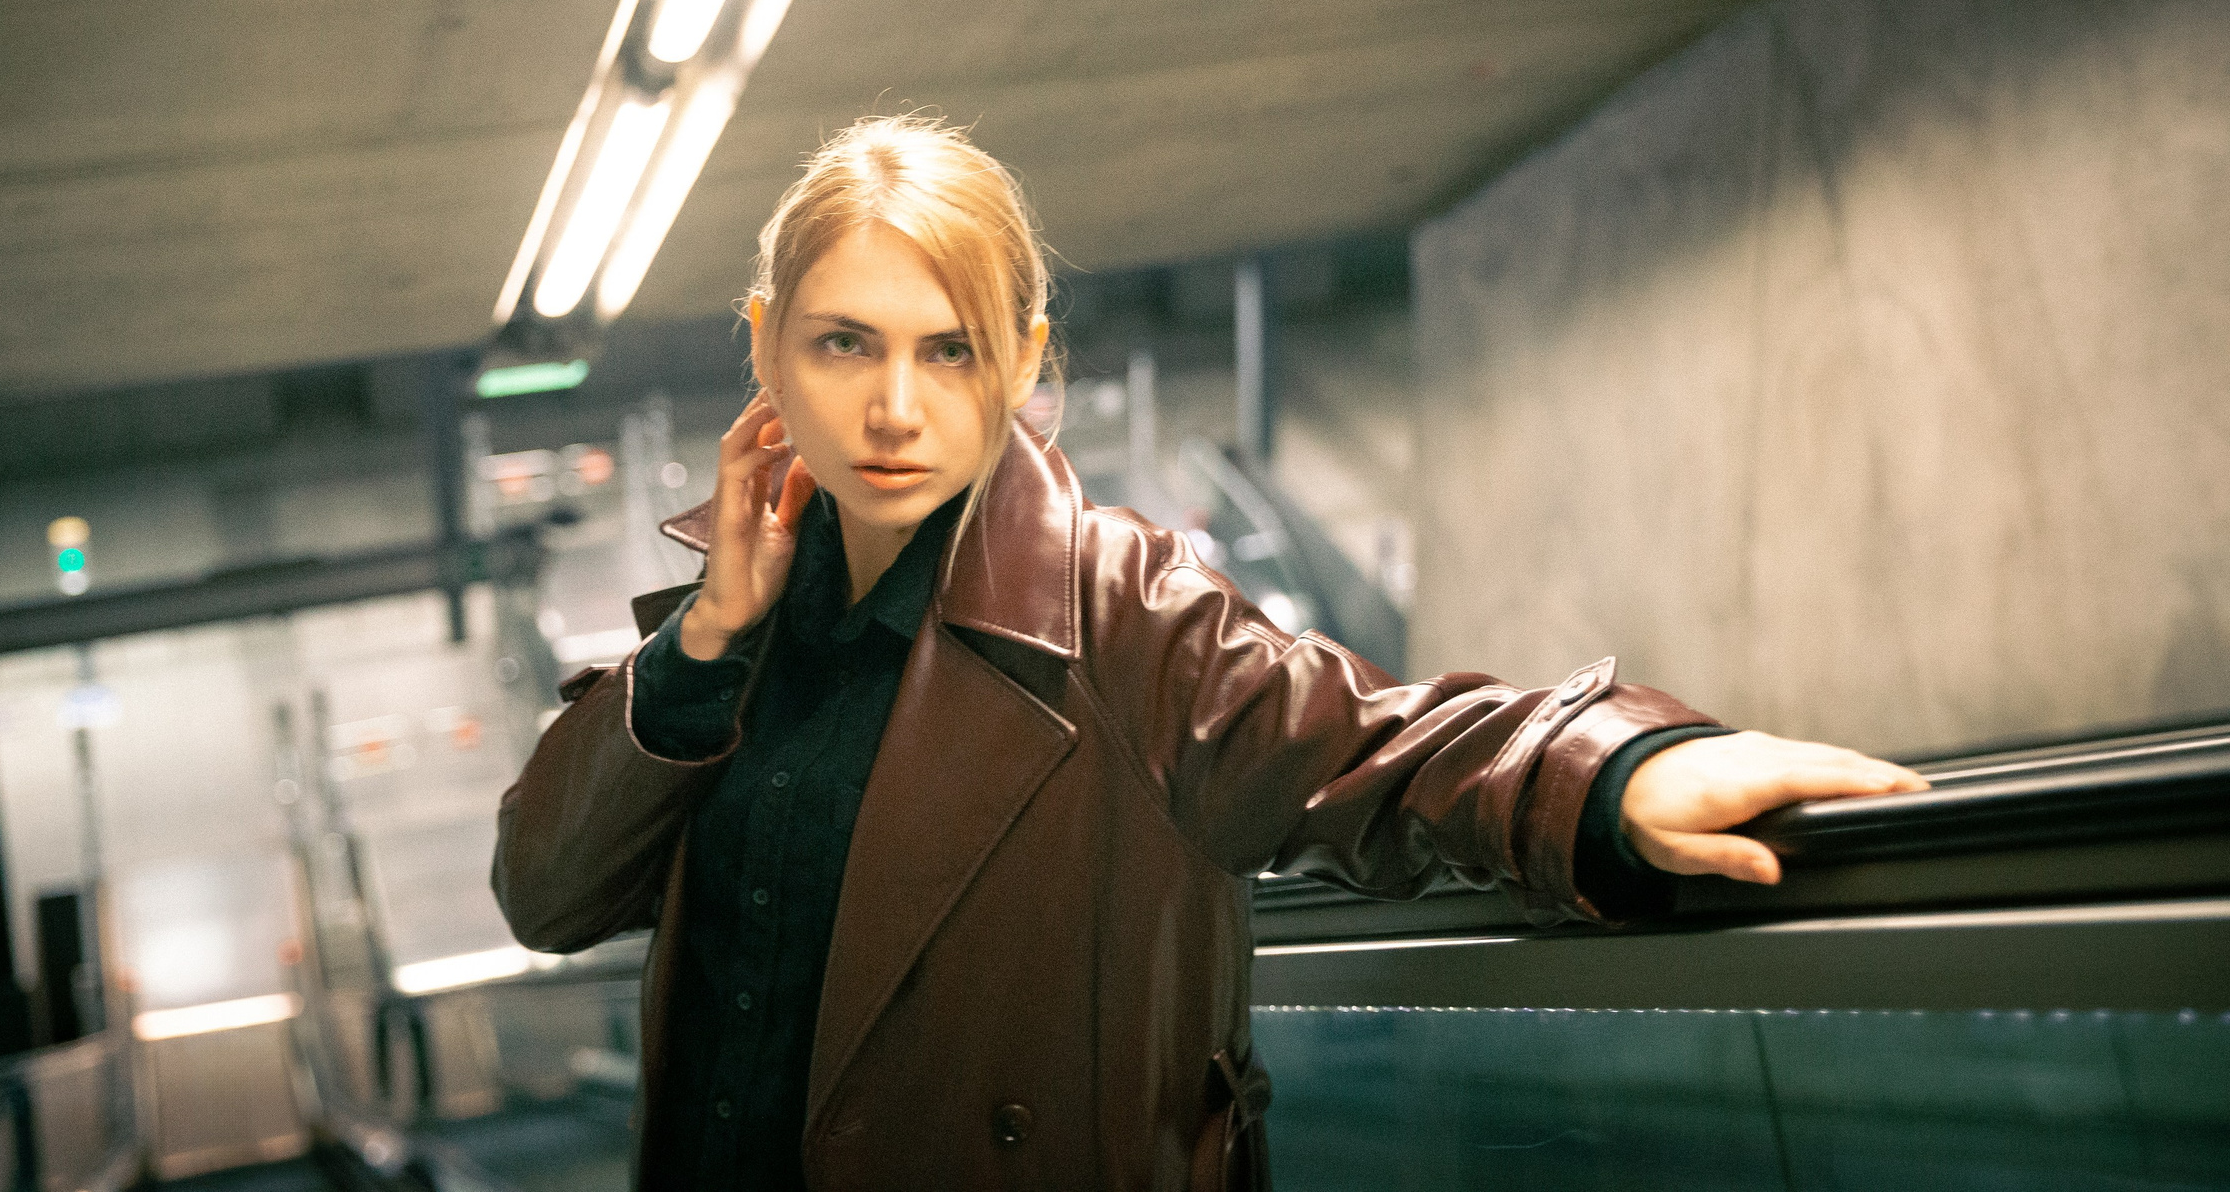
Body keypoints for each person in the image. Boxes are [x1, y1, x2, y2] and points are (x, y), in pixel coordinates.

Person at [492, 114, 1925, 1192]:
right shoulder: (715, 638)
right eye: (844, 344)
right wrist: (705, 642)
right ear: (765, 348)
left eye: (951, 350)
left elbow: (1361, 747)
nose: (893, 407)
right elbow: (545, 894)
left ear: (1024, 358)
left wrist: (1610, 778)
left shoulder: (1108, 606)